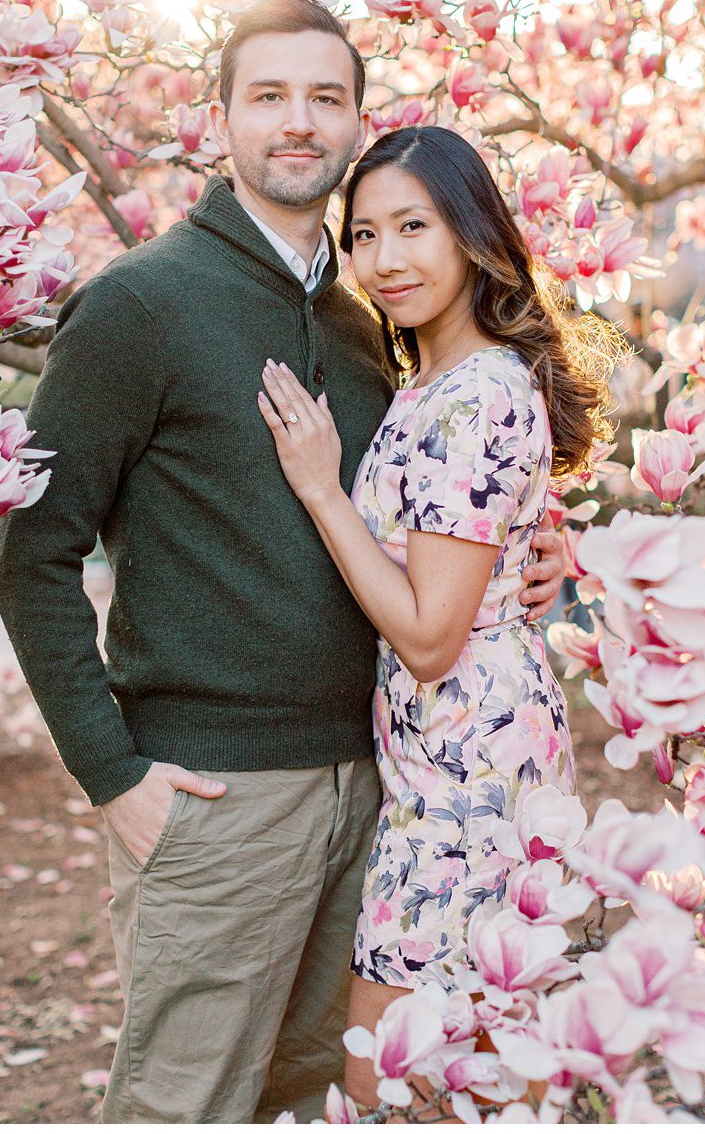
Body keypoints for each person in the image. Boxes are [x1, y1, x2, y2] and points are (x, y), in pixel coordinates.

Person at [0, 0, 565, 1123]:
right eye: (267, 97)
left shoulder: (365, 327)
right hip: (218, 792)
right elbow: (32, 553)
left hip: (382, 791)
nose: (295, 123)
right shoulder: (136, 305)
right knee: (185, 1104)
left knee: (314, 1100)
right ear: (219, 120)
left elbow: (442, 501)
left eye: (323, 98)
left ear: (354, 123)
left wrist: (543, 555)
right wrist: (111, 775)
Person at [256, 125, 618, 1111]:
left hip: (470, 771)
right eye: (362, 235)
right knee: (452, 1066)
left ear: (470, 234)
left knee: (392, 1073)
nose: (383, 259)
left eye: (411, 226)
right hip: (445, 753)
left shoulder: (478, 396)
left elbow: (424, 637)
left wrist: (319, 489)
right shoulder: (436, 385)